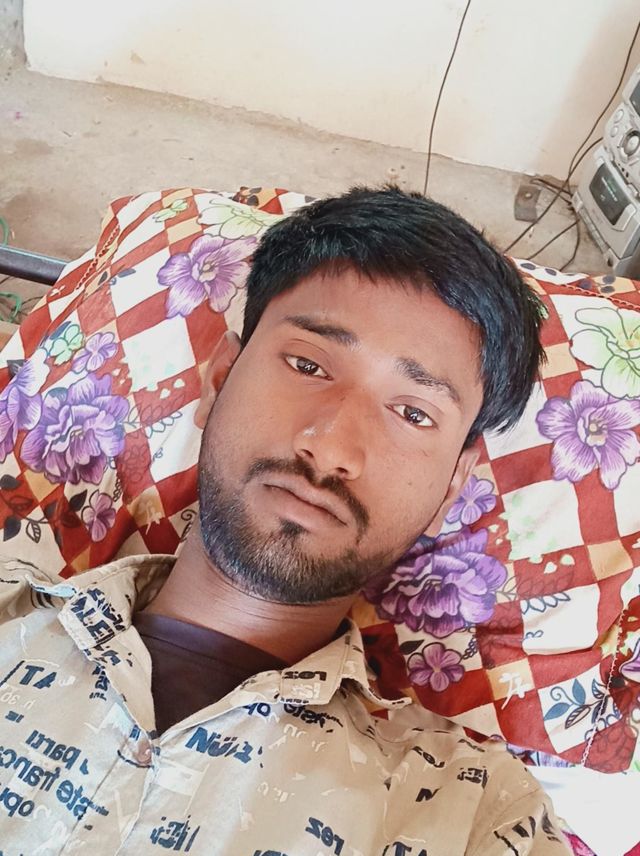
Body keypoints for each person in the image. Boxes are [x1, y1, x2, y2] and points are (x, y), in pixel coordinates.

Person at [0, 187, 570, 855]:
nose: (330, 447)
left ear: (453, 484)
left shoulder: (479, 813)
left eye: (414, 412)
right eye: (308, 365)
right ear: (219, 379)